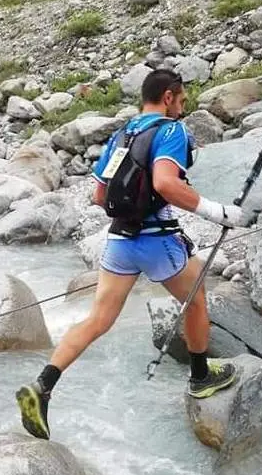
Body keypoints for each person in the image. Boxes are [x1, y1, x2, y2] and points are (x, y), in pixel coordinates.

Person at [16, 69, 246, 440]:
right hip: (157, 241)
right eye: (182, 100)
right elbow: (165, 184)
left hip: (119, 242)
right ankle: (201, 377)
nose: (182, 108)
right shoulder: (172, 130)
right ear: (169, 97)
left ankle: (42, 386)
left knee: (97, 320)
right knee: (197, 299)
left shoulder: (122, 134)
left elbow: (99, 197)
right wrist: (216, 211)